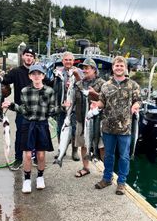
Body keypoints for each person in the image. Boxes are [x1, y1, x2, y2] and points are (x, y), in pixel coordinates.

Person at [91, 56, 141, 195]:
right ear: (113, 68)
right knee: (108, 155)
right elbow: (102, 102)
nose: (118, 68)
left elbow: (138, 101)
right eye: (116, 65)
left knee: (124, 156)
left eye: (121, 65)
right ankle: (107, 178)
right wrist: (96, 105)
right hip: (107, 126)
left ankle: (122, 182)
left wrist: (136, 105)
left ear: (125, 68)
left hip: (125, 128)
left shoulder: (133, 85)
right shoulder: (106, 85)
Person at [2, 63, 55, 193]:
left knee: (41, 155)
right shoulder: (25, 91)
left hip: (42, 124)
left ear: (43, 76)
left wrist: (64, 107)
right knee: (26, 154)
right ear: (30, 76)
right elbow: (23, 109)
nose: (36, 76)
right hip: (27, 124)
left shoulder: (49, 91)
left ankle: (40, 177)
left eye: (39, 74)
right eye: (33, 74)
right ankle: (26, 179)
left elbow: (51, 110)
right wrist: (12, 105)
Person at [2, 47, 52, 170]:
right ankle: (18, 159)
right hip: (21, 110)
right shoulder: (16, 71)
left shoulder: (38, 71)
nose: (29, 58)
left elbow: (50, 84)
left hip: (38, 111)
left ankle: (35, 158)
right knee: (21, 135)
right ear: (23, 56)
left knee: (37, 134)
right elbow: (5, 81)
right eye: (27, 55)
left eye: (31, 56)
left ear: (34, 58)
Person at [73, 58, 105, 177]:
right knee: (83, 144)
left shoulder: (102, 83)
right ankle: (86, 168)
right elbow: (73, 98)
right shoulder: (79, 83)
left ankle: (107, 172)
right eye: (83, 68)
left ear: (94, 70)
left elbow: (107, 99)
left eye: (87, 68)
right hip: (81, 118)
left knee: (101, 146)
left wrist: (95, 94)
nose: (84, 70)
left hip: (98, 120)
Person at [53, 51, 82, 161]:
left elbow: (83, 85)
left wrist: (76, 77)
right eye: (66, 60)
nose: (68, 61)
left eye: (70, 60)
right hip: (61, 106)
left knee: (74, 130)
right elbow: (53, 87)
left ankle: (74, 151)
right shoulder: (58, 72)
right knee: (60, 129)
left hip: (74, 107)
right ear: (62, 61)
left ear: (73, 61)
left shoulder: (78, 71)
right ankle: (62, 150)